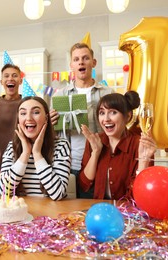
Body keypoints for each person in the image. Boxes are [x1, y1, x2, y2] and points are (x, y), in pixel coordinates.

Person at [51, 42, 114, 198]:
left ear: (93, 63)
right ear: (71, 65)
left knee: (95, 208)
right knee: (70, 215)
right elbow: (52, 135)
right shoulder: (59, 96)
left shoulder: (108, 93)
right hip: (68, 165)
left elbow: (117, 130)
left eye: (86, 58)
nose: (81, 62)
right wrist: (50, 124)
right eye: (77, 59)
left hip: (99, 162)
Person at [78, 91, 156, 200]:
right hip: (100, 210)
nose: (106, 119)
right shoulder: (94, 141)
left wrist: (144, 161)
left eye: (113, 112)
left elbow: (140, 195)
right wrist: (95, 153)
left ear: (128, 116)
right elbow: (84, 185)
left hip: (129, 211)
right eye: (102, 113)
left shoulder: (141, 145)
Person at [0, 96, 71, 201]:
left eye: (36, 112)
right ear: (18, 119)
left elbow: (58, 193)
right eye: (23, 113)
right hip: (23, 213)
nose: (28, 118)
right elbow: (3, 191)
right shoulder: (12, 147)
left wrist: (37, 153)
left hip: (51, 214)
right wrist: (25, 153)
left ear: (46, 118)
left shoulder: (61, 146)